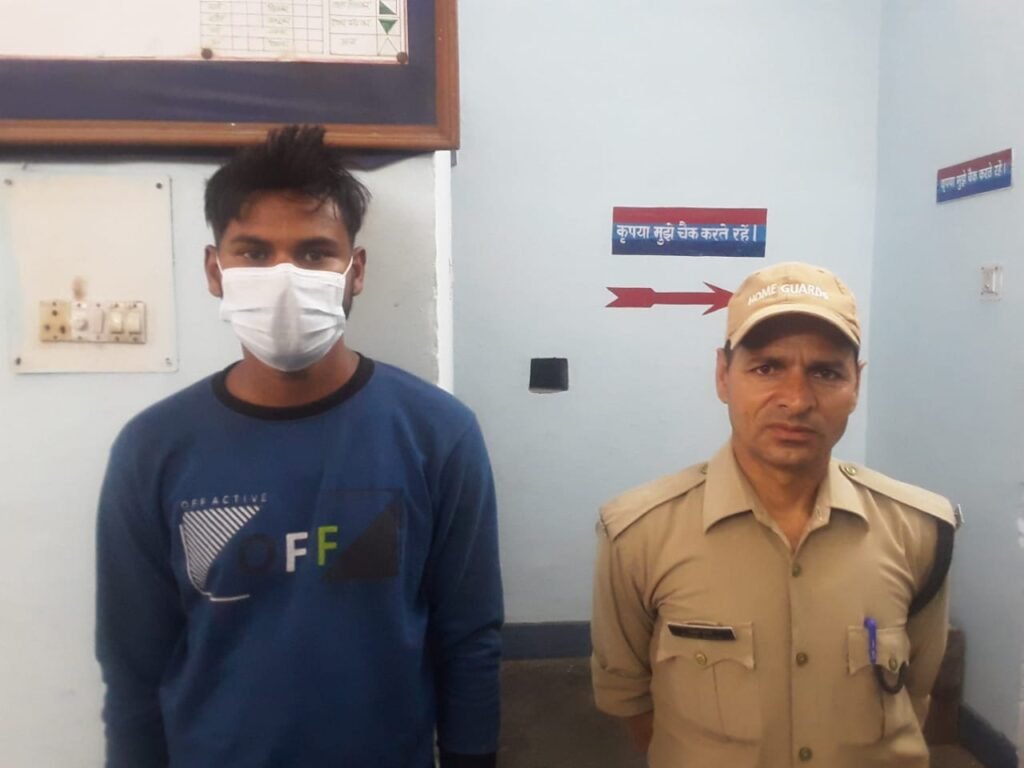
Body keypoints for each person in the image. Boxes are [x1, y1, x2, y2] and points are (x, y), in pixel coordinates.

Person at [95, 125, 503, 768]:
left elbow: (469, 636)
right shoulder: (153, 449)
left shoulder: (437, 434)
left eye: (314, 253)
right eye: (254, 253)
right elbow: (132, 663)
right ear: (215, 270)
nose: (284, 277)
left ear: (355, 271)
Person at [590, 262, 957, 768]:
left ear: (856, 384)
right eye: (766, 368)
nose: (797, 400)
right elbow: (633, 703)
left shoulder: (921, 530)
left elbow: (913, 693)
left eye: (826, 372)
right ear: (723, 375)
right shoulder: (638, 535)